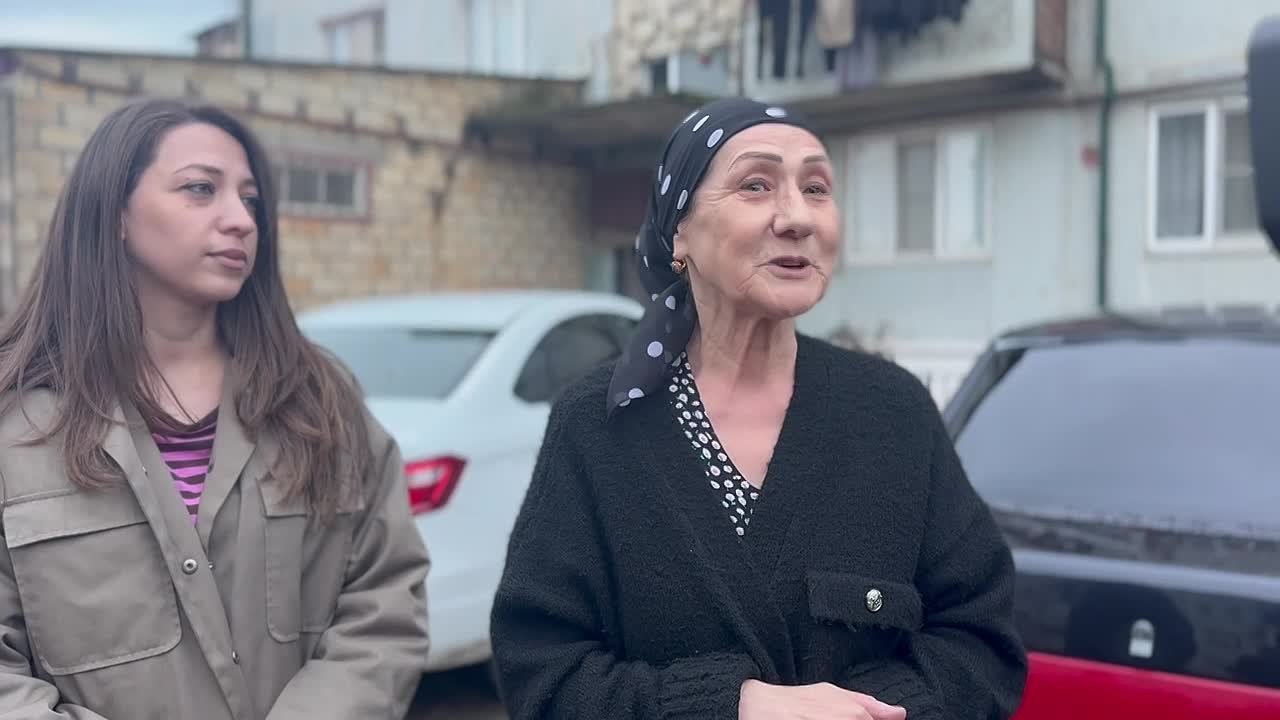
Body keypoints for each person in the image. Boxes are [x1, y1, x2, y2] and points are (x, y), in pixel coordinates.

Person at [490, 97, 1027, 720]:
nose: (798, 217)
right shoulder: (598, 424)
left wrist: (874, 712)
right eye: (756, 185)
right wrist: (733, 708)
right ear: (679, 232)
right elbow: (542, 674)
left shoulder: (892, 412)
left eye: (816, 188)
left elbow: (980, 642)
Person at [0, 97, 430, 718]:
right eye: (200, 189)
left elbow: (384, 605)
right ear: (115, 213)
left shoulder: (319, 404)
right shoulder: (17, 425)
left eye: (250, 199)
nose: (241, 220)